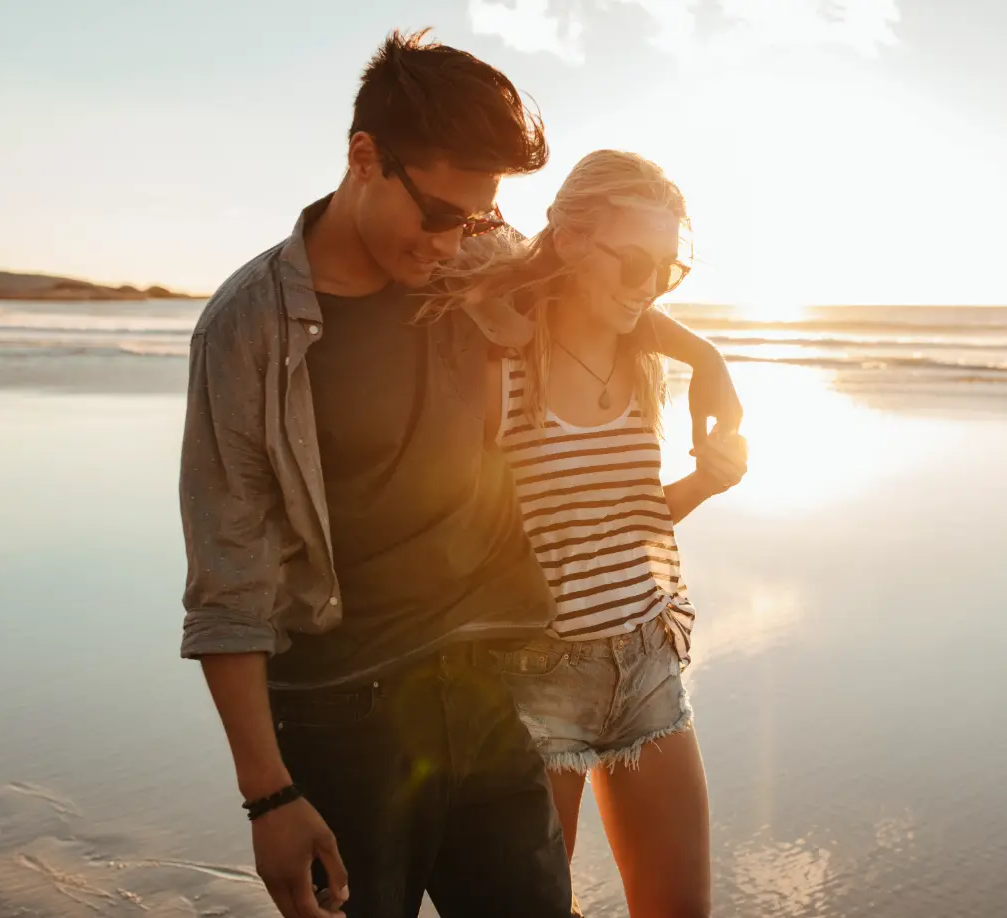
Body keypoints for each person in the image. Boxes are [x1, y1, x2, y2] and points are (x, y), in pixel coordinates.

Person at [178, 30, 741, 918]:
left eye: (476, 220)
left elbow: (587, 284)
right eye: (441, 214)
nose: (455, 241)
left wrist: (702, 357)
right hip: (348, 707)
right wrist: (269, 796)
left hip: (494, 687)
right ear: (364, 157)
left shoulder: (471, 256)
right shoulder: (251, 329)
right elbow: (228, 579)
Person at [425, 150, 746, 917]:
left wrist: (705, 480)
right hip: (534, 677)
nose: (648, 286)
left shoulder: (640, 358)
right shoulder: (500, 363)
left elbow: (624, 522)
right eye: (633, 262)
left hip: (646, 660)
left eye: (667, 271)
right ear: (568, 240)